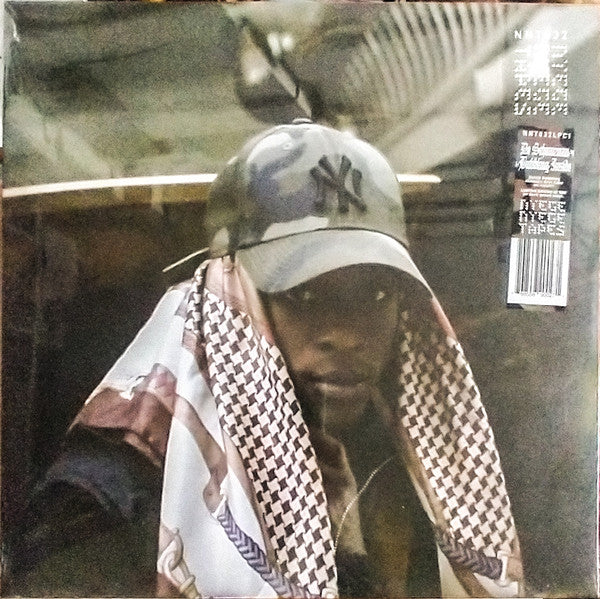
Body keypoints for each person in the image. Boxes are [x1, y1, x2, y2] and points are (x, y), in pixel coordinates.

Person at [7, 119, 524, 598]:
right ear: (232, 299)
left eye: (377, 294)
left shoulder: (405, 463)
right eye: (303, 293)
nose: (346, 334)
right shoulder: (117, 486)